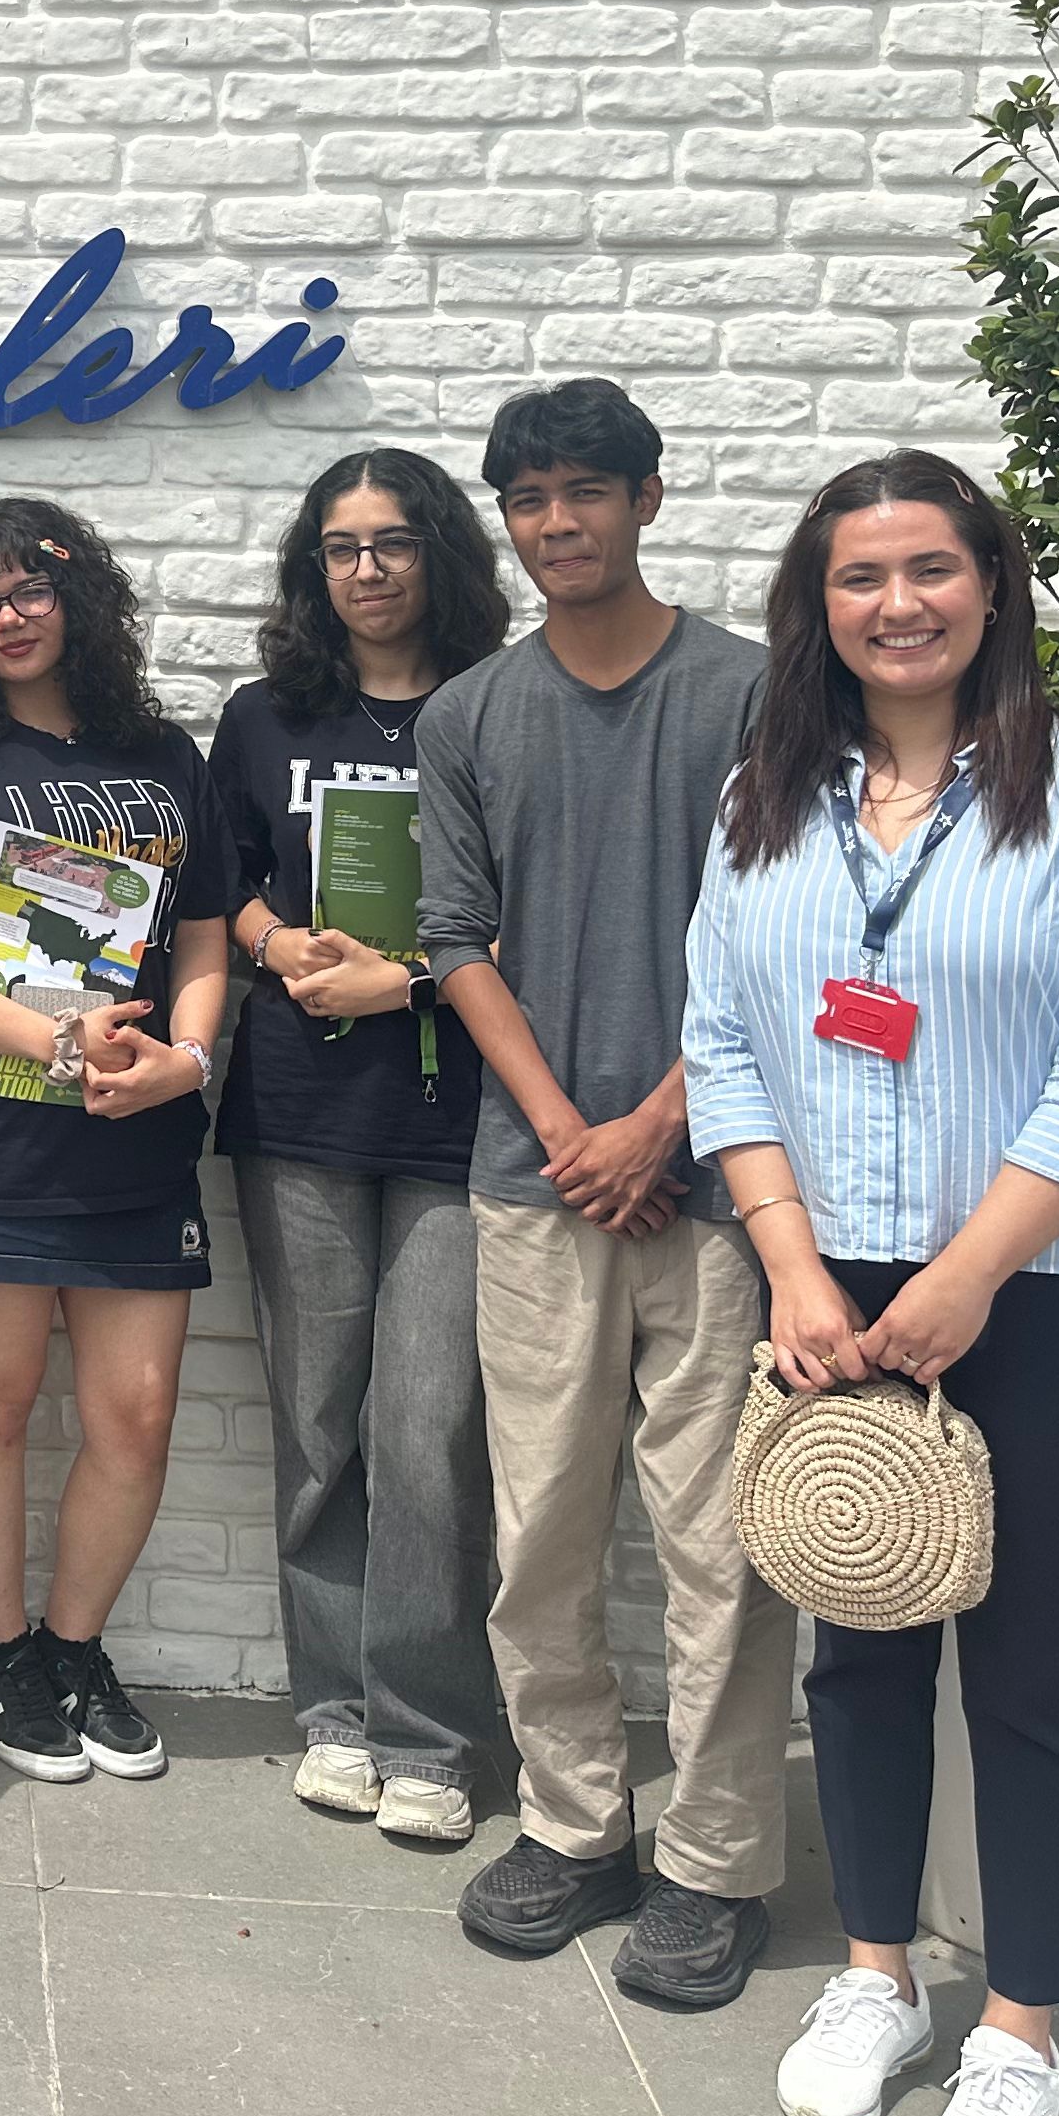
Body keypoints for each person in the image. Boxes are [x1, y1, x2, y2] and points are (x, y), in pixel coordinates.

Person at [689, 454, 1059, 2116]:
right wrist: (792, 1261)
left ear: (990, 585)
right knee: (859, 1643)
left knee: (1031, 1656)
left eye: (929, 569)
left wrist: (973, 1273)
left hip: (1042, 1278)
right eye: (858, 576)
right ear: (813, 606)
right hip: (832, 1280)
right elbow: (723, 1041)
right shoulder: (768, 792)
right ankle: (879, 1974)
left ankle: (1023, 2027)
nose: (897, 604)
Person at [416, 378, 790, 2013]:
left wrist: (663, 1121)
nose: (557, 523)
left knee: (720, 1547)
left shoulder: (761, 698)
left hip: (724, 1189)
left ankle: (714, 1864)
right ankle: (577, 1828)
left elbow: (795, 937)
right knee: (543, 1530)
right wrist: (575, 1126)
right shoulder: (469, 717)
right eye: (530, 498)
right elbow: (453, 941)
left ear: (650, 497)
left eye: (585, 492)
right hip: (535, 1180)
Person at [0, 497, 232, 1792]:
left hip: (141, 1134)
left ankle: (79, 1650)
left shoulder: (161, 754)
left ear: (81, 602)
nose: (8, 616)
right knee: (0, 1400)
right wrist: (57, 1049)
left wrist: (182, 1062)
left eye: (29, 590)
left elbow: (200, 931)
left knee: (135, 1413)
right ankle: (0, 1649)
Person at [210, 448, 514, 1851]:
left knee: (432, 1431)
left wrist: (403, 980)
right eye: (340, 546)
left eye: (393, 542)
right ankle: (334, 1716)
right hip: (301, 1115)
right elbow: (225, 896)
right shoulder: (265, 718)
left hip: (464, 1123)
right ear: (311, 567)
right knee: (321, 1427)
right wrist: (286, 953)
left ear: (439, 554)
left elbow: (548, 913)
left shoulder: (504, 709)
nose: (367, 569)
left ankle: (434, 1734)